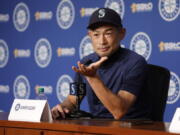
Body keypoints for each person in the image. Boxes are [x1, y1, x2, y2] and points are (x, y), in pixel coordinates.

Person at [51, 8, 149, 120]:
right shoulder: (85, 63)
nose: (102, 41)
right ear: (90, 36)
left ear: (122, 33)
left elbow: (119, 111)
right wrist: (62, 108)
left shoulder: (135, 63)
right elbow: (73, 100)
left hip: (130, 128)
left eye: (108, 33)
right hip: (97, 127)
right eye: (96, 35)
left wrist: (93, 78)